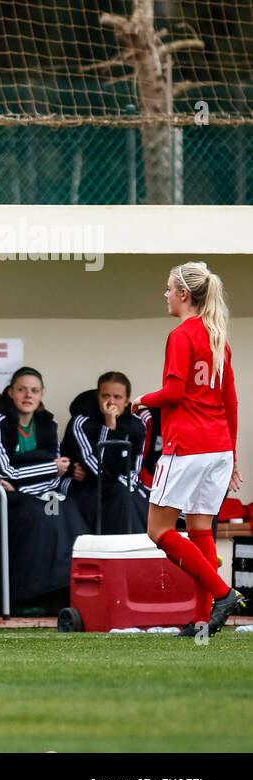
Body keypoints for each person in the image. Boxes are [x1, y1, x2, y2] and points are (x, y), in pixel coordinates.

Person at [132, 261, 246, 637]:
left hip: (188, 447)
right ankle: (201, 622)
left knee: (158, 530)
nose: (164, 295)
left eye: (168, 289)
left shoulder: (182, 335)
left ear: (184, 294)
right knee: (200, 530)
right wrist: (232, 456)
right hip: (217, 449)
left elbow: (175, 393)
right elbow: (230, 402)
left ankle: (223, 593)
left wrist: (142, 400)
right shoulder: (218, 338)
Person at [0, 367, 85, 612]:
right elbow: (4, 472)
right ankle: (25, 596)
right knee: (37, 517)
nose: (28, 395)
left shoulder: (47, 424)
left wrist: (45, 474)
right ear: (10, 392)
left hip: (35, 492)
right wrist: (48, 468)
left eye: (34, 390)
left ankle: (61, 591)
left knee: (67, 509)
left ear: (41, 395)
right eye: (21, 389)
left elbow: (56, 474)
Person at [61, 371, 147, 534]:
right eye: (105, 396)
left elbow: (134, 471)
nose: (111, 402)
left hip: (119, 486)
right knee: (116, 498)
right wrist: (109, 427)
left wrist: (119, 479)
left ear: (127, 400)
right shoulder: (81, 422)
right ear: (97, 396)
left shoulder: (136, 424)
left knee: (133, 497)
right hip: (83, 485)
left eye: (117, 397)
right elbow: (98, 472)